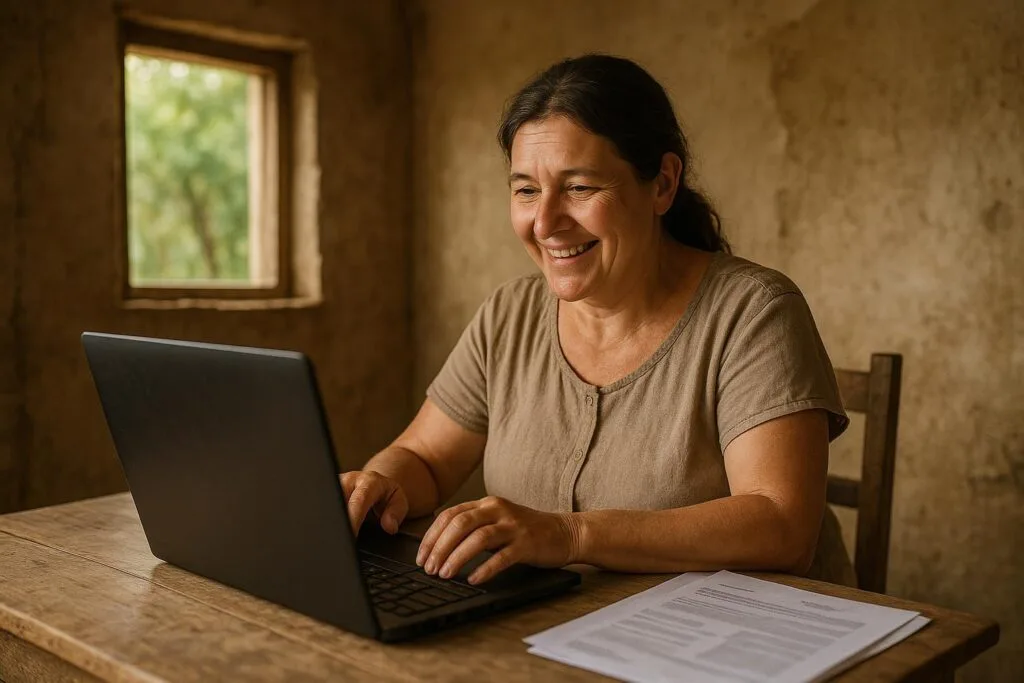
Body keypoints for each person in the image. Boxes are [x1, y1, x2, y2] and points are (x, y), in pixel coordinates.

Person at [342, 54, 856, 588]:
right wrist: (377, 485)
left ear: (662, 183)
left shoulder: (754, 311)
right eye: (525, 190)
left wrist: (572, 536)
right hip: (565, 634)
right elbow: (424, 458)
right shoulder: (509, 315)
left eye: (580, 187)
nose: (545, 223)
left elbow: (782, 526)